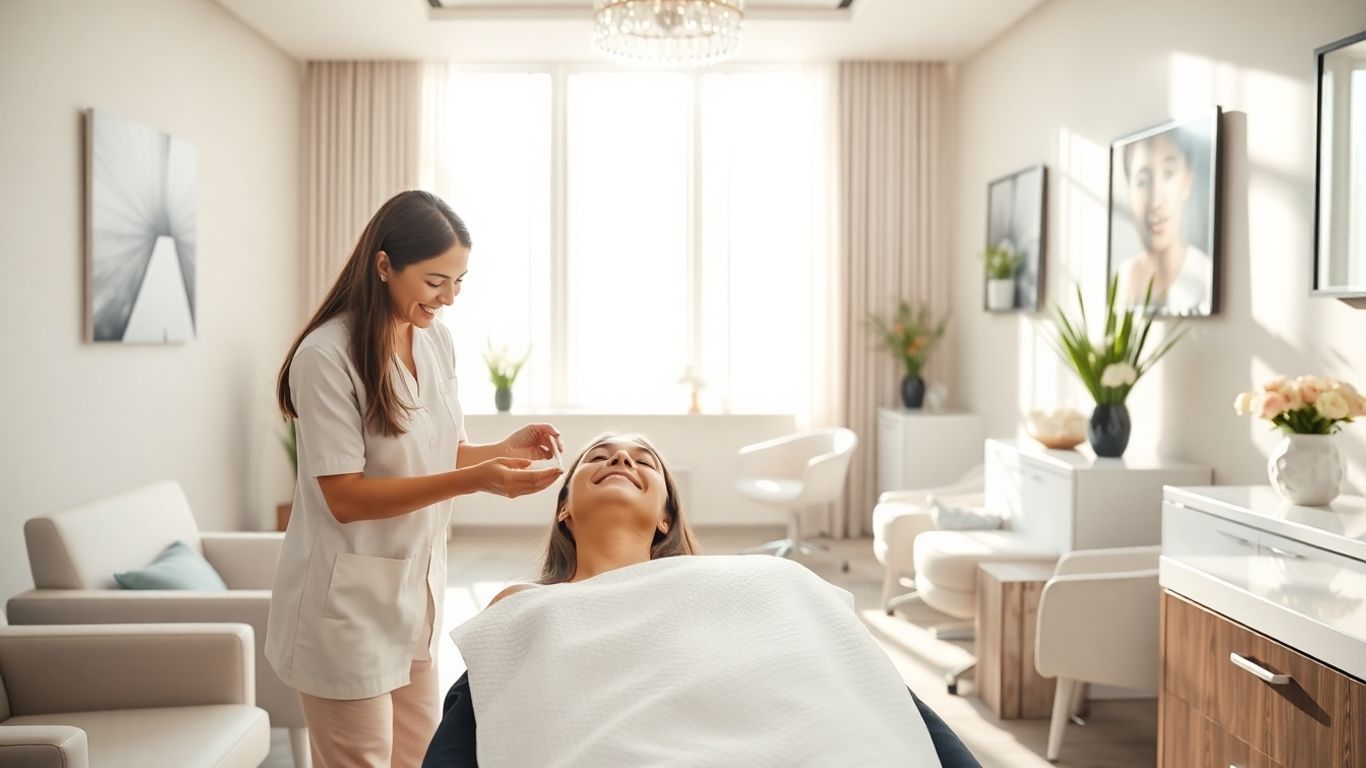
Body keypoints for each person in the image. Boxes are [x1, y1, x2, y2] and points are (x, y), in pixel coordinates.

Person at [423, 434, 979, 767]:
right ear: (563, 507)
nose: (621, 461)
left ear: (665, 514)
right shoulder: (523, 605)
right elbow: (485, 714)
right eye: (600, 457)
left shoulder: (759, 580)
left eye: (643, 461)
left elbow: (860, 684)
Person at [265, 190, 564, 768]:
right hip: (344, 609)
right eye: (434, 282)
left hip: (416, 598)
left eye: (459, 282)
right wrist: (477, 479)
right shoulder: (326, 356)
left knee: (424, 758)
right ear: (384, 266)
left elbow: (441, 452)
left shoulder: (434, 340)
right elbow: (345, 497)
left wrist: (502, 452)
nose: (448, 298)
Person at [1114, 128, 1213, 315]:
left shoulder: (1205, 277)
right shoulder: (1122, 278)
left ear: (1187, 181)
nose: (1156, 201)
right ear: (1129, 192)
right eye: (1142, 181)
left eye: (1168, 173)